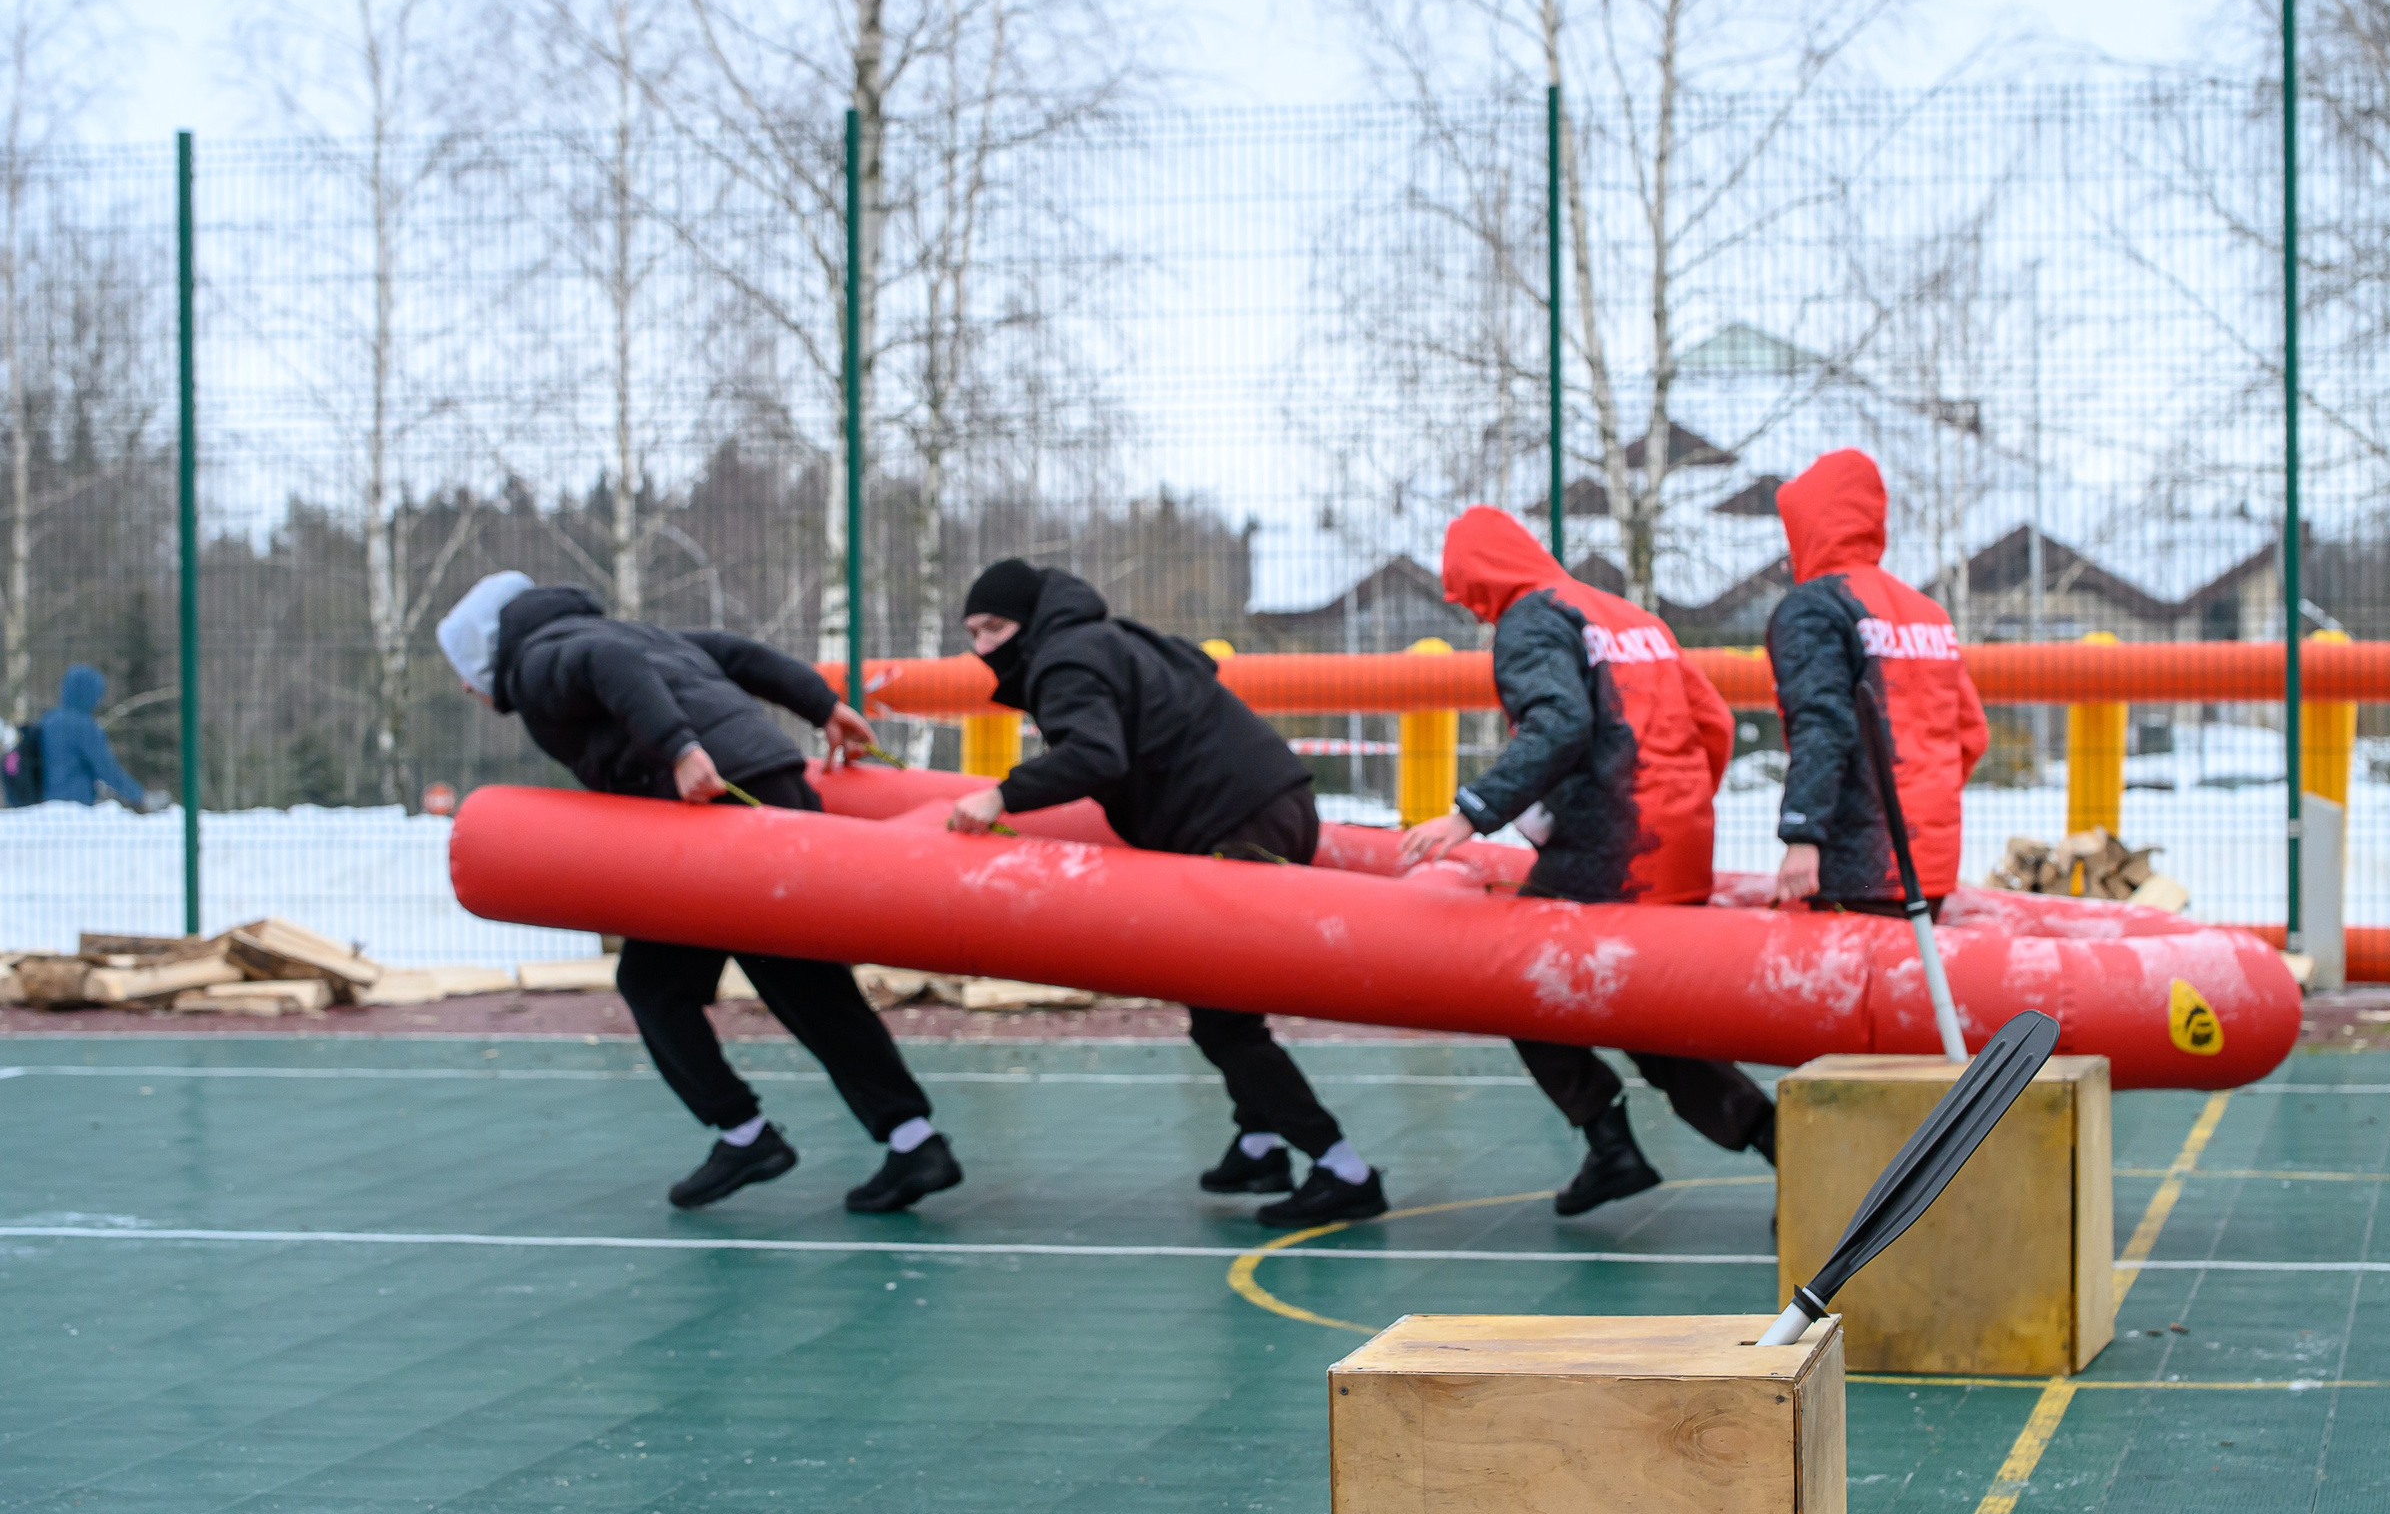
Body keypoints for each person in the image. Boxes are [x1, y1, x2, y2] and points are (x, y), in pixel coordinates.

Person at [436, 570, 962, 1215]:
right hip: (773, 785)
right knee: (799, 977)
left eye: (463, 670)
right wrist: (822, 707)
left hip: (712, 813)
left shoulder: (538, 663)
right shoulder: (636, 632)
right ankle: (911, 1141)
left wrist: (680, 749)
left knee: (656, 985)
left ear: (485, 653)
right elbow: (736, 654)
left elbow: (610, 663)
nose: (465, 686)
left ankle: (746, 1134)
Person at [944, 557, 1389, 1229]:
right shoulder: (1110, 636)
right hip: (1274, 804)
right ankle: (1260, 1144)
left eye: (995, 628)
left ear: (1028, 622)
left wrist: (1002, 794)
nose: (984, 647)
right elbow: (1191, 678)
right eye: (974, 632)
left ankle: (1341, 1167)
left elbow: (1097, 755)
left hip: (1239, 824)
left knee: (1221, 1018)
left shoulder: (1063, 661)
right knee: (1226, 1000)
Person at [1400, 507, 1775, 1215]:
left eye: (1467, 594)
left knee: (1517, 983)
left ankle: (1611, 1142)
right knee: (1649, 1010)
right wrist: (1684, 803)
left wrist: (1471, 810)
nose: (1473, 612)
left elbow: (1559, 723)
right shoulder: (1628, 616)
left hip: (1613, 850)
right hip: (1675, 843)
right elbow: (1714, 721)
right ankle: (1771, 1138)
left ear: (1482, 576)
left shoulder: (1531, 618)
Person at [1763, 449, 1987, 912]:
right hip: (1930, 865)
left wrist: (1803, 833)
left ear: (1809, 525)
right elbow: (1972, 733)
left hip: (1858, 864)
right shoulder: (1927, 613)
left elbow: (1822, 725)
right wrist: (1924, 804)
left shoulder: (1816, 608)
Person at [36, 665, 153, 807]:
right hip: (74, 804)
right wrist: (139, 795)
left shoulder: (48, 719)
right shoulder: (84, 725)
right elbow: (106, 768)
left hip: (43, 804)